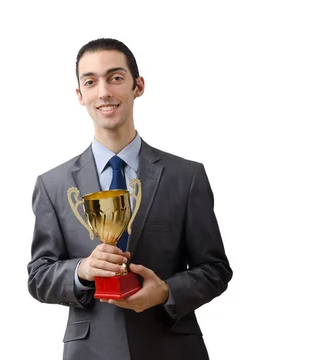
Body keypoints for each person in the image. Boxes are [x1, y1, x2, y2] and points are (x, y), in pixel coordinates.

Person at [27, 38, 232, 360]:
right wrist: (82, 269)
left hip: (173, 346)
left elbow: (215, 269)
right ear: (80, 95)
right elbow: (39, 276)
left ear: (138, 86)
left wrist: (166, 291)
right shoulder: (53, 185)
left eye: (116, 78)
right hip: (90, 350)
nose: (104, 92)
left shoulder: (186, 176)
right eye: (91, 82)